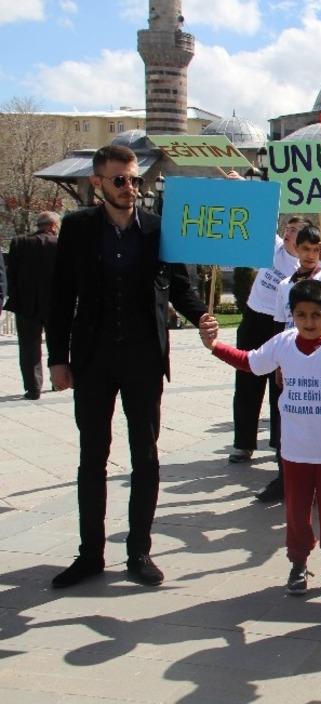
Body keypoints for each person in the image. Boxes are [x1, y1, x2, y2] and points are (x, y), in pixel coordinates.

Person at [47, 144, 208, 589]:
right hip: (94, 359)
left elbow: (180, 286)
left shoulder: (158, 229)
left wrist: (201, 316)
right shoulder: (78, 228)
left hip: (143, 358)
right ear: (97, 182)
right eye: (120, 180)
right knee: (92, 456)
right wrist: (57, 359)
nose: (130, 187)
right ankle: (90, 554)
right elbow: (61, 297)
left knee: (146, 455)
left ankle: (139, 551)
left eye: (135, 180)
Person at [200, 280, 321, 597]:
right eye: (301, 315)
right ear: (292, 315)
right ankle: (298, 562)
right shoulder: (283, 343)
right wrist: (214, 346)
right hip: (295, 450)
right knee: (296, 512)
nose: (309, 322)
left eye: (316, 315)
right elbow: (250, 362)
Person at [256, 223, 321, 503]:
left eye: (315, 249)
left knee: (320, 414)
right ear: (296, 250)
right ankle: (284, 476)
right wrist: (277, 363)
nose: (310, 255)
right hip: (290, 356)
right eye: (305, 249)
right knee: (284, 415)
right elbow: (279, 324)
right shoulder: (284, 285)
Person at [227, 216, 300, 467]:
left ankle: (279, 443)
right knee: (246, 382)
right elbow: (260, 219)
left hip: (280, 325)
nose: (288, 233)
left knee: (280, 386)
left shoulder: (303, 265)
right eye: (288, 228)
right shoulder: (274, 248)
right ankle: (243, 443)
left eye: (295, 230)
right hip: (254, 319)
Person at [5, 211, 60, 400]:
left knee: (28, 347)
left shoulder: (19, 243)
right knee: (57, 344)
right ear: (53, 226)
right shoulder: (60, 244)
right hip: (55, 304)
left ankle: (33, 387)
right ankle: (57, 381)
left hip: (25, 304)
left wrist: (15, 294)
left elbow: (11, 274)